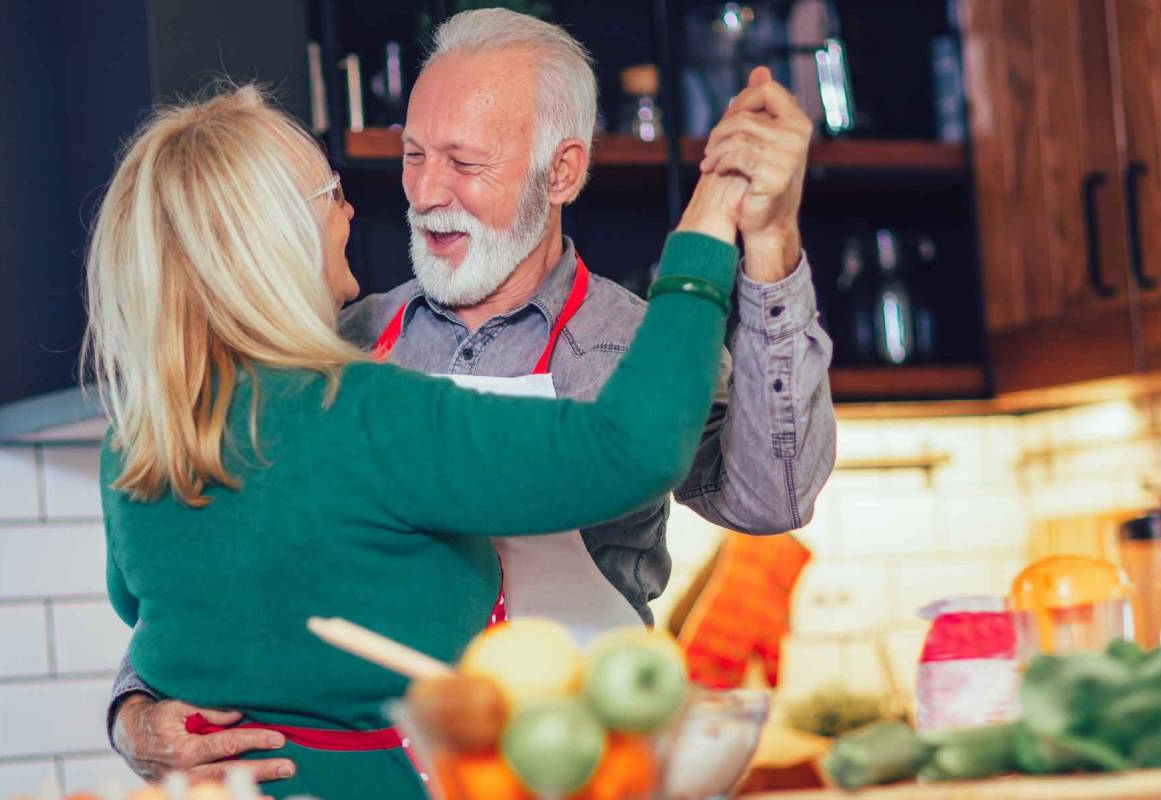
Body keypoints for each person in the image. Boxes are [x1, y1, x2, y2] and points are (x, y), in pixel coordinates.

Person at [109, 8, 836, 785]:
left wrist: (768, 247)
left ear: (560, 172)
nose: (425, 191)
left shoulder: (642, 345)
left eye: (464, 161)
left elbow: (772, 498)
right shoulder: (337, 345)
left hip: (586, 768)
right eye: (414, 154)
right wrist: (135, 711)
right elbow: (226, 573)